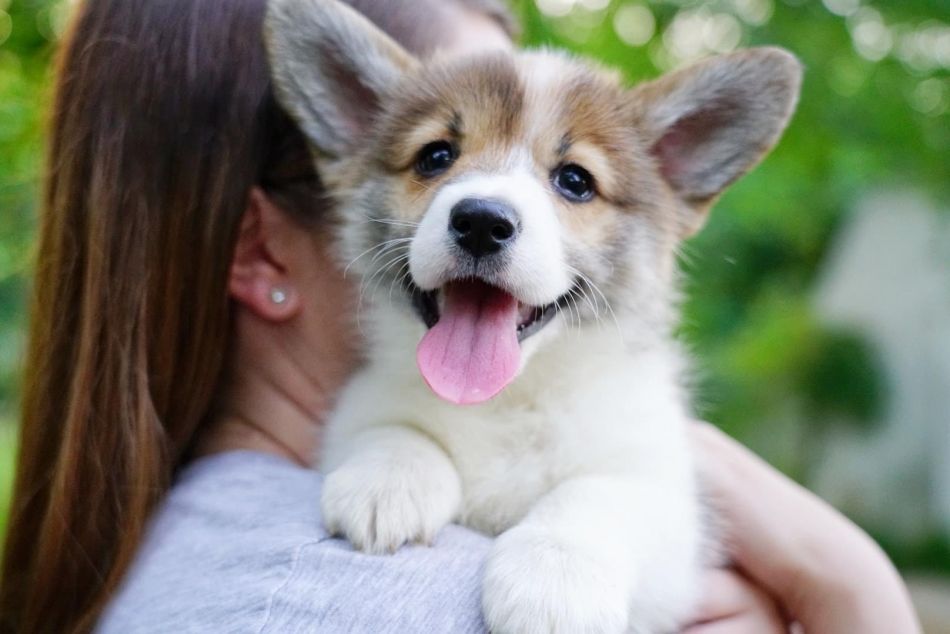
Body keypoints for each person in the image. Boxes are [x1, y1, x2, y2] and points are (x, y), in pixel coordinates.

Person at [0, 0, 921, 632]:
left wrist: (586, 536)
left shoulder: (178, 549)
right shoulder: (337, 596)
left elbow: (646, 515)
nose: (487, 205)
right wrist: (853, 595)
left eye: (573, 181)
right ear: (264, 241)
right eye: (438, 156)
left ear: (670, 187)